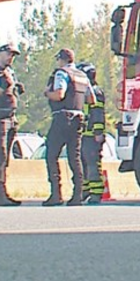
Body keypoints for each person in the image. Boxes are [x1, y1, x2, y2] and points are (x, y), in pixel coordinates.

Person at [43, 48, 94, 207]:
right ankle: (77, 195)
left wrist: (47, 93)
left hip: (62, 117)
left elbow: (59, 94)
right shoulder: (82, 76)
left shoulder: (61, 73)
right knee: (75, 157)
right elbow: (91, 99)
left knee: (51, 154)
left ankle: (56, 194)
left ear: (61, 59)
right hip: (78, 118)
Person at [0, 44, 24, 206]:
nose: (11, 58)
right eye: (9, 54)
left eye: (13, 55)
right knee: (0, 155)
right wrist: (2, 88)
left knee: (6, 158)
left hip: (10, 118)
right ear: (1, 53)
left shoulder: (9, 72)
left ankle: (4, 191)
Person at [77, 63, 106, 204]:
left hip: (92, 135)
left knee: (92, 163)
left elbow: (98, 114)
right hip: (83, 134)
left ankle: (96, 193)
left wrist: (98, 132)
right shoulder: (85, 92)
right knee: (82, 164)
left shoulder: (96, 92)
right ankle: (85, 190)